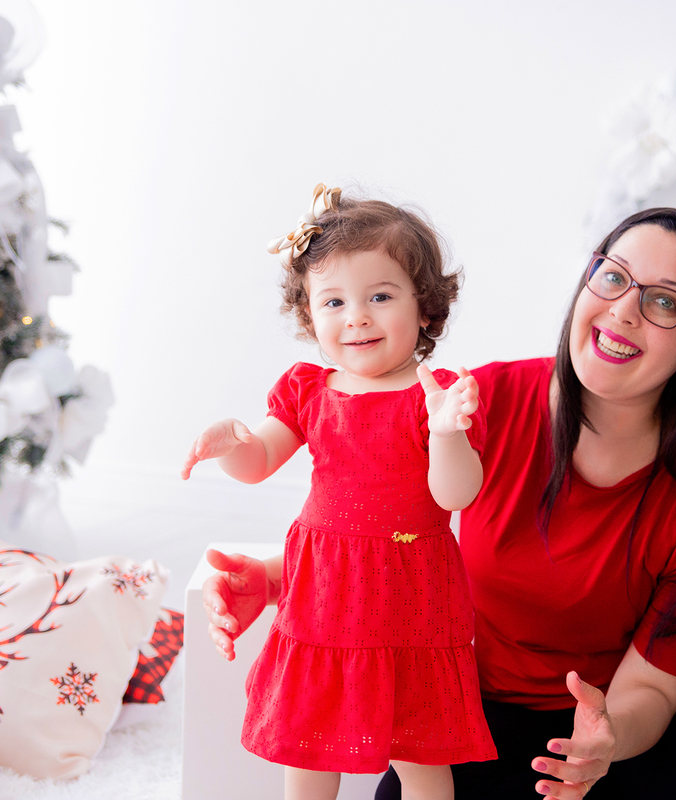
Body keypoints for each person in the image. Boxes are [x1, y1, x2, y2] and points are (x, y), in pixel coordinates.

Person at [201, 207, 676, 800]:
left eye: (663, 302)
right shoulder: (477, 402)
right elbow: (380, 526)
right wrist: (269, 580)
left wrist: (603, 739)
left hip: (660, 721)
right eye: (613, 277)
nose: (625, 310)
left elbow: (651, 692)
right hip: (495, 705)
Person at [181, 184, 496, 800]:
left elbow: (454, 495)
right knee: (311, 740)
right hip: (325, 586)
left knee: (421, 753)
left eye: (380, 296)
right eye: (333, 301)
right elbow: (261, 460)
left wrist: (447, 432)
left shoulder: (437, 394)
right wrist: (233, 444)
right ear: (309, 317)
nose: (356, 316)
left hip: (411, 589)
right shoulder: (308, 389)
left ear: (425, 307)